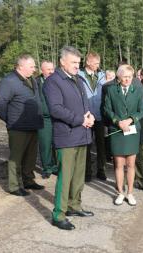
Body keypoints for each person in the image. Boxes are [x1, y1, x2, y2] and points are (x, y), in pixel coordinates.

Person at [44, 46, 95, 230]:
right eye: (73, 62)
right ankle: (59, 214)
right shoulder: (53, 82)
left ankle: (74, 205)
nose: (77, 66)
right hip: (66, 136)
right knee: (65, 177)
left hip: (82, 134)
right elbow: (56, 109)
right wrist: (80, 120)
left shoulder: (78, 79)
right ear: (62, 62)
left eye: (78, 63)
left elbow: (84, 103)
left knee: (78, 176)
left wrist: (89, 116)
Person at [0, 54, 44, 196]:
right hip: (18, 127)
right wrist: (9, 119)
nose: (34, 69)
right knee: (16, 157)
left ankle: (28, 180)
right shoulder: (9, 81)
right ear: (21, 66)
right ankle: (14, 186)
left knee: (31, 156)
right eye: (32, 66)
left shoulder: (31, 79)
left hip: (33, 124)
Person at [104, 64, 143, 206]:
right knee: (119, 164)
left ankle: (130, 193)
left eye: (129, 77)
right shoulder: (110, 91)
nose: (127, 79)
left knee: (131, 164)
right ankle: (120, 192)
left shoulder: (138, 91)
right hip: (117, 130)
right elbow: (107, 109)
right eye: (124, 77)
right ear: (119, 77)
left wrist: (131, 119)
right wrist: (117, 121)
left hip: (132, 130)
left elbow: (142, 110)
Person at [78, 52, 107, 182]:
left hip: (100, 116)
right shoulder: (79, 75)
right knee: (87, 145)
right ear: (88, 62)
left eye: (98, 63)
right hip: (86, 116)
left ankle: (101, 170)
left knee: (101, 145)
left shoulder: (102, 76)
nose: (98, 65)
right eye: (95, 63)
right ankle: (87, 172)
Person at [36, 60, 58, 179]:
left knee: (57, 143)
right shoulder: (36, 82)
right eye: (48, 69)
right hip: (44, 119)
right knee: (45, 144)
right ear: (42, 70)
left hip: (57, 117)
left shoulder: (57, 82)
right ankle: (47, 167)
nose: (51, 72)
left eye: (52, 69)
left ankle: (56, 166)